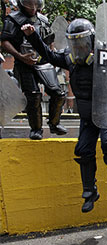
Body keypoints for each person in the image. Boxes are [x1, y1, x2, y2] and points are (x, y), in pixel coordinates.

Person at [21, 19, 107, 213]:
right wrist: (32, 36)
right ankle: (90, 192)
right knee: (84, 151)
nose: (78, 46)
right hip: (87, 114)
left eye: (83, 41)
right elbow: (49, 55)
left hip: (105, 110)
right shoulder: (70, 58)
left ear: (92, 39)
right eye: (74, 42)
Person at [0, 0, 67, 140]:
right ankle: (36, 129)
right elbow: (5, 41)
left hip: (44, 62)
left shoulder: (43, 19)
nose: (33, 8)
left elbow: (50, 39)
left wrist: (52, 56)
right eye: (30, 4)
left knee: (58, 93)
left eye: (36, 4)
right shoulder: (12, 19)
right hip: (24, 64)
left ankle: (54, 123)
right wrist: (20, 57)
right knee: (33, 95)